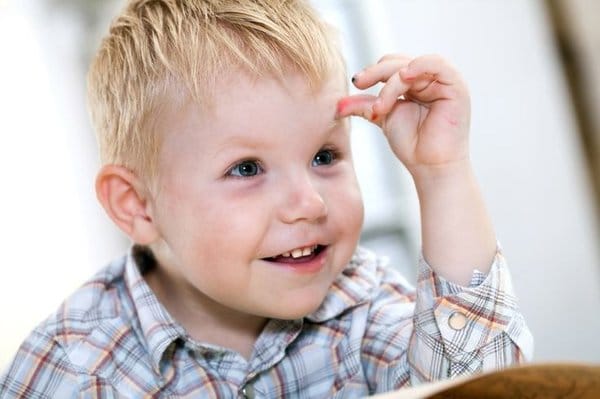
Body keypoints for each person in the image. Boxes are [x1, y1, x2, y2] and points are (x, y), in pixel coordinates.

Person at [0, 0, 533, 397]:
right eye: (247, 169)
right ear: (137, 205)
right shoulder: (72, 370)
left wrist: (441, 174)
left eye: (325, 156)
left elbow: (479, 384)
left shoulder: (360, 304)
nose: (309, 203)